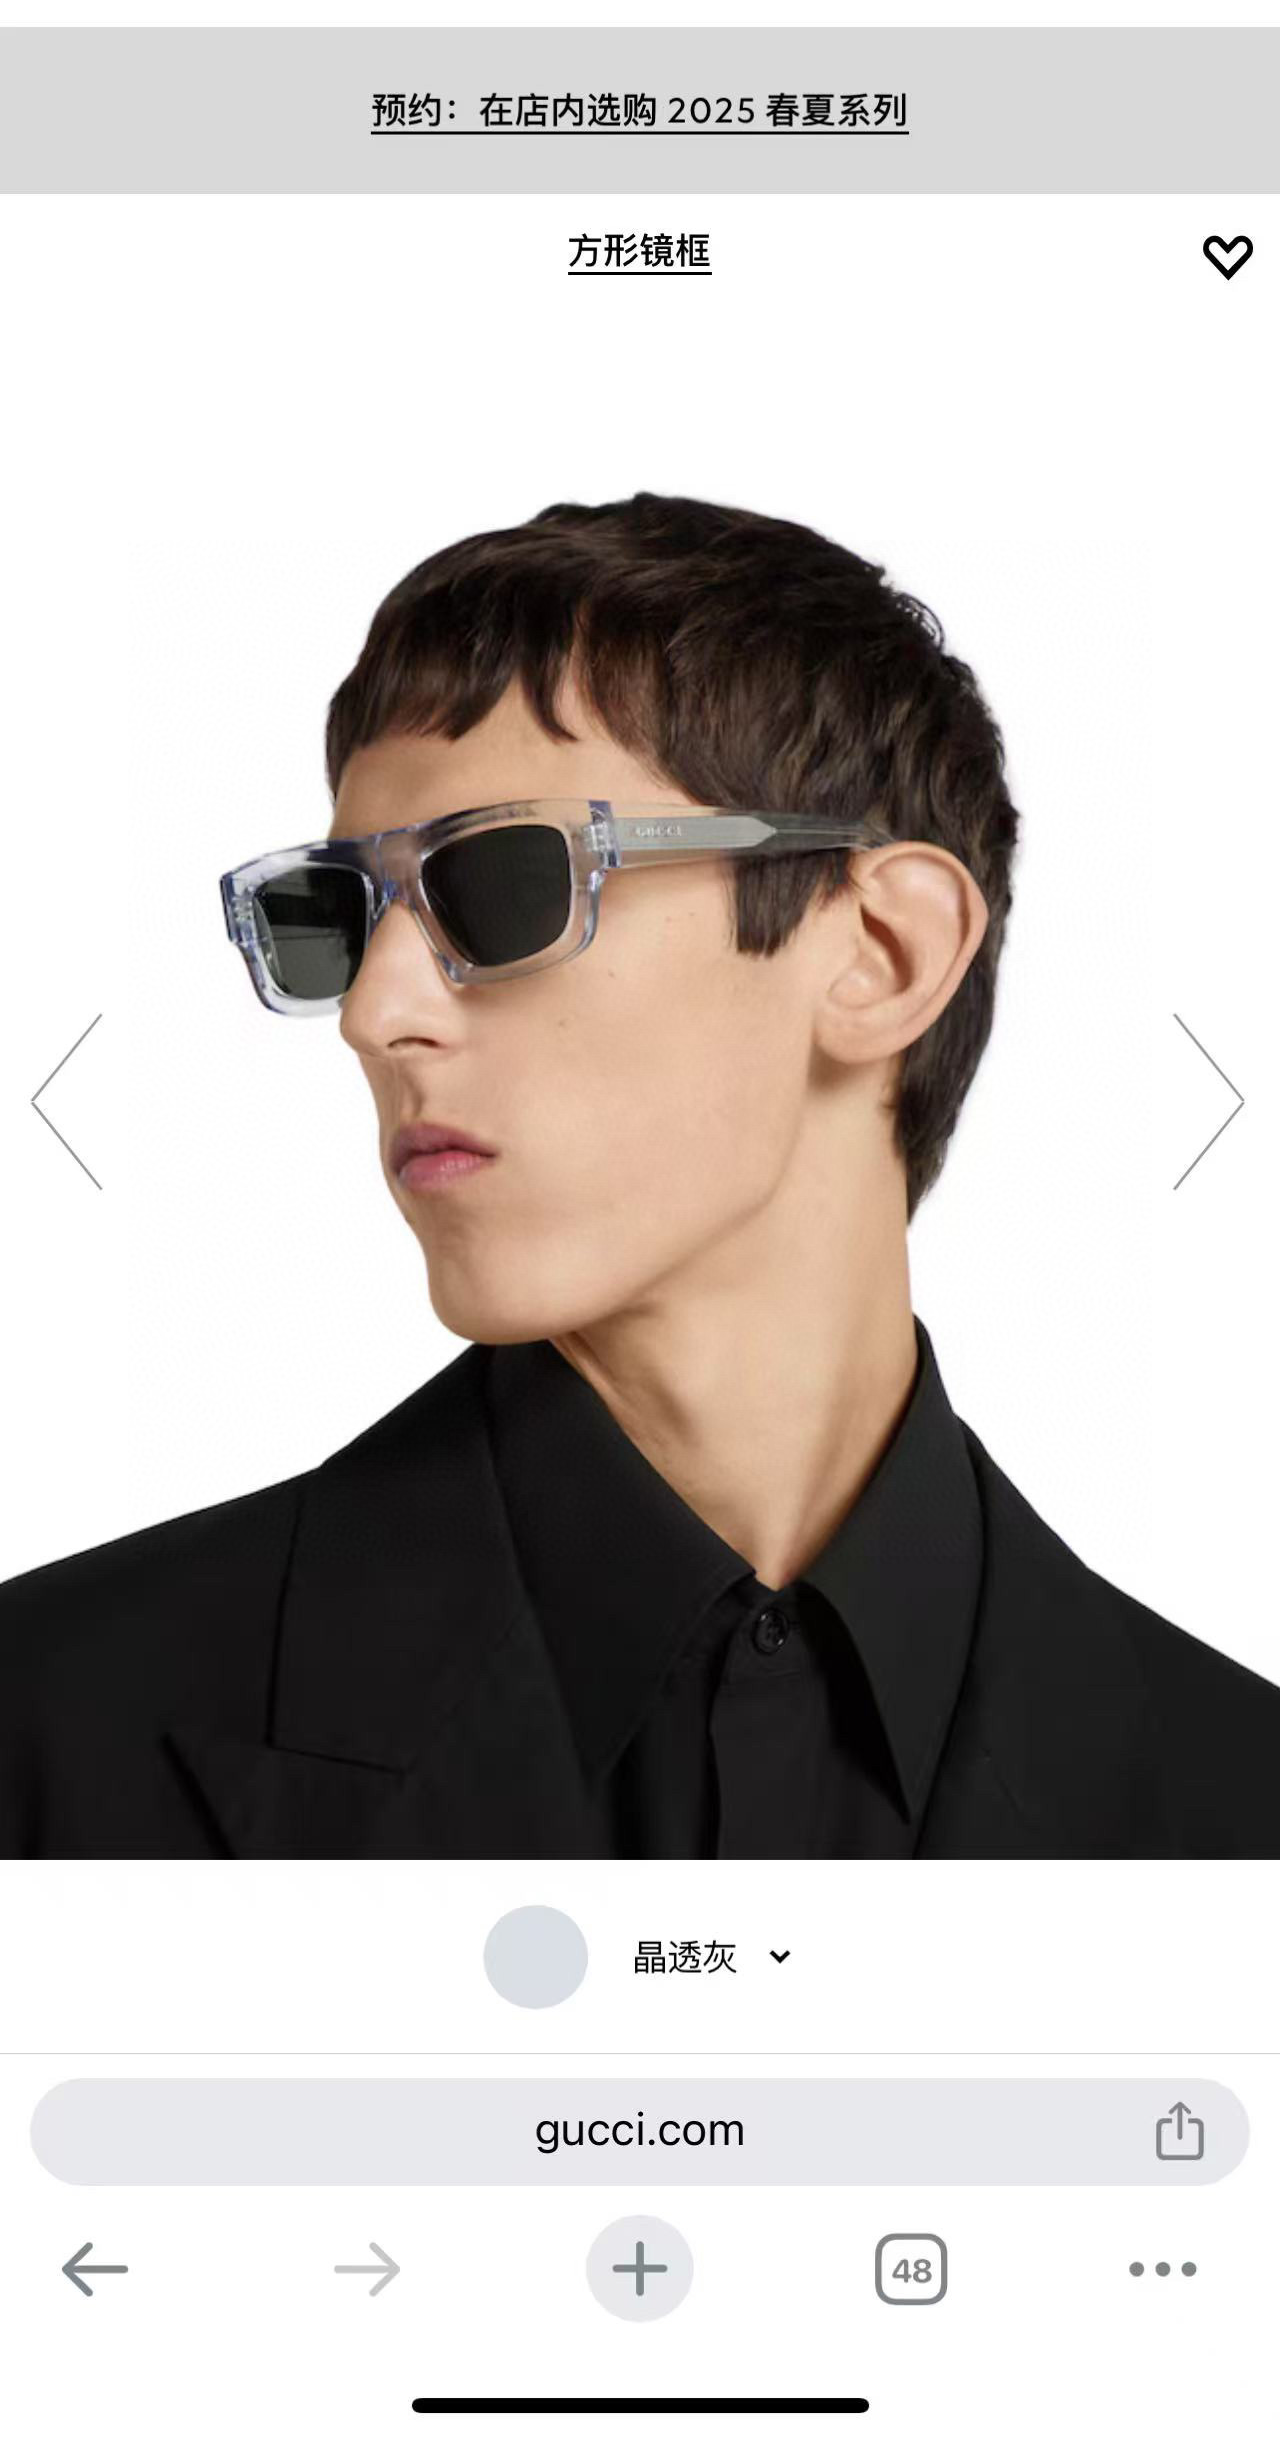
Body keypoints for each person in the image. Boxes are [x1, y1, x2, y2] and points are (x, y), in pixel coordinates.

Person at [2, 491, 1278, 1857]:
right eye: (340, 921)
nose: (376, 1014)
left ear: (883, 954)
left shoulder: (1237, 1806)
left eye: (502, 885)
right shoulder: (52, 1731)